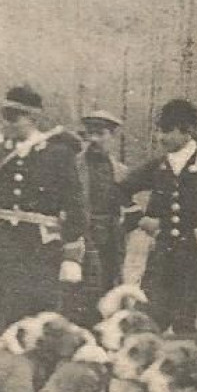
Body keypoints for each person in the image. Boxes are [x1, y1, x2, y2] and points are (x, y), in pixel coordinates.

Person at [0, 85, 88, 335]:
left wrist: (71, 256)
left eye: (15, 117)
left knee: (34, 318)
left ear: (33, 118)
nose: (8, 123)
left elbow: (75, 206)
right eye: (6, 116)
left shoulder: (59, 155)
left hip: (40, 249)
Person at [124, 99, 197, 336]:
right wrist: (140, 219)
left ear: (189, 131)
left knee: (191, 327)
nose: (161, 138)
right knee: (146, 324)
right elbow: (119, 191)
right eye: (160, 130)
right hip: (162, 260)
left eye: (168, 131)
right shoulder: (157, 166)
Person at [73, 110, 130, 323]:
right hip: (82, 235)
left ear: (112, 137)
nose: (94, 139)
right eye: (91, 134)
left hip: (112, 237)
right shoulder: (73, 166)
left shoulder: (121, 171)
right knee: (82, 289)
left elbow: (129, 208)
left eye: (101, 133)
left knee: (110, 286)